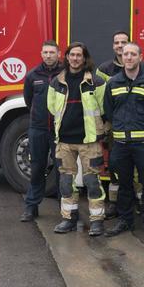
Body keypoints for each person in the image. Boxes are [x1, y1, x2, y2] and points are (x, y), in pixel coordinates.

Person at [104, 42, 144, 238]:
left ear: (140, 57)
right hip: (121, 144)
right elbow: (109, 111)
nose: (128, 57)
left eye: (132, 54)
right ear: (121, 57)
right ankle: (125, 220)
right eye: (125, 54)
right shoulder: (113, 83)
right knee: (124, 183)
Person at [47, 42, 108, 236]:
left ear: (84, 58)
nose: (75, 58)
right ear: (66, 57)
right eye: (72, 55)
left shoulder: (96, 82)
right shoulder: (56, 82)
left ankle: (97, 220)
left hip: (88, 141)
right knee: (66, 182)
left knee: (92, 181)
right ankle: (68, 219)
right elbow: (51, 106)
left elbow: (105, 107)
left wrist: (102, 130)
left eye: (79, 55)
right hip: (64, 141)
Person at [20, 40, 62, 222]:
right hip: (37, 129)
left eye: (52, 52)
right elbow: (29, 100)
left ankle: (66, 209)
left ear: (58, 54)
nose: (48, 55)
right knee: (37, 168)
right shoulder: (32, 76)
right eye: (45, 52)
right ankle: (31, 207)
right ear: (41, 54)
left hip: (59, 130)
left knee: (63, 170)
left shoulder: (65, 74)